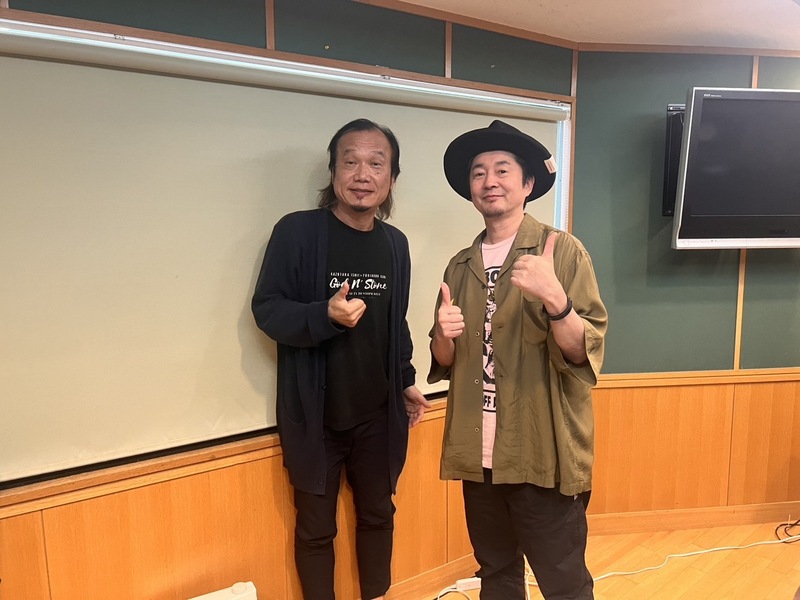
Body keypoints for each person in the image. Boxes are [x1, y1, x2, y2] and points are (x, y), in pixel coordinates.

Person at [251, 118, 430, 600]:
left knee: (379, 515)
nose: (362, 174)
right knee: (315, 529)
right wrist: (323, 315)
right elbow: (267, 309)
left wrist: (405, 378)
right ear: (332, 172)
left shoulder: (395, 244)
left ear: (392, 178)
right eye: (350, 162)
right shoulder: (297, 232)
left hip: (378, 415)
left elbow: (395, 321)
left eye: (377, 164)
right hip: (316, 417)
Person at [429, 120, 608, 600]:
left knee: (564, 581)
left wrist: (557, 301)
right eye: (479, 172)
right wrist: (443, 336)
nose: (490, 181)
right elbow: (445, 360)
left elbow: (583, 353)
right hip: (478, 452)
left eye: (502, 170)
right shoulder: (459, 266)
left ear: (527, 184)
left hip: (540, 449)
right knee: (497, 573)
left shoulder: (561, 252)